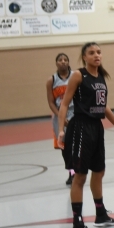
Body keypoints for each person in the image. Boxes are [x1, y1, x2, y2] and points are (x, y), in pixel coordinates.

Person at [57, 43, 114, 228]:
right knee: (79, 176)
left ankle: (100, 213)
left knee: (99, 171)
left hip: (96, 128)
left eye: (98, 52)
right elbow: (65, 103)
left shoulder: (100, 77)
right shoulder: (78, 75)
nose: (96, 55)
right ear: (84, 57)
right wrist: (61, 129)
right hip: (80, 127)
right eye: (92, 53)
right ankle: (77, 225)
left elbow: (103, 106)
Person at [46, 52, 75, 185]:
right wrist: (61, 117)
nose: (63, 61)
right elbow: (51, 102)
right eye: (60, 60)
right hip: (59, 114)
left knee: (78, 144)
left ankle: (79, 170)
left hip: (75, 113)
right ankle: (71, 172)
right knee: (65, 146)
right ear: (56, 63)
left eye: (65, 59)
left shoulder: (76, 76)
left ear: (68, 62)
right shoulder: (51, 80)